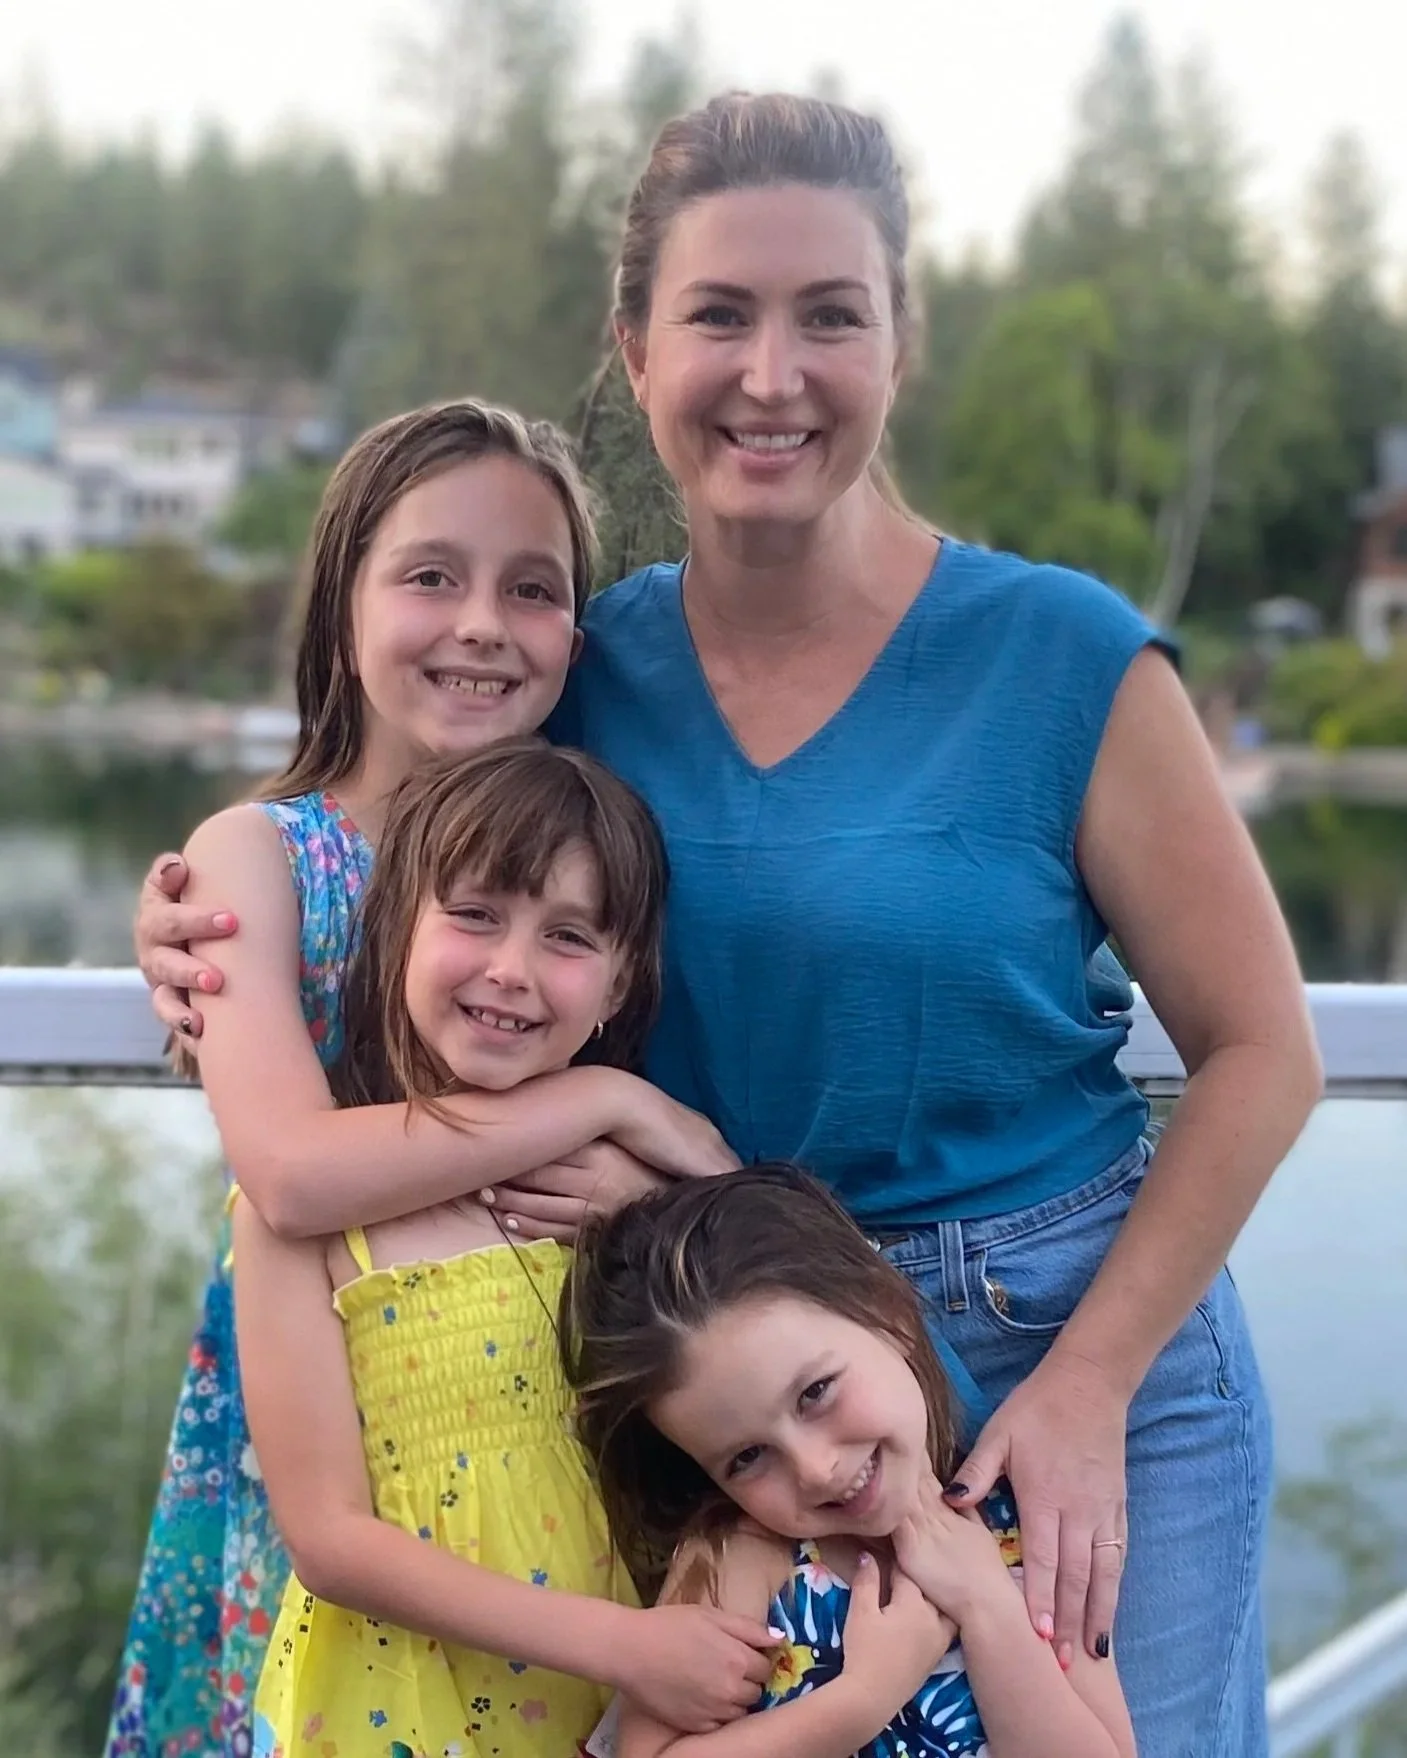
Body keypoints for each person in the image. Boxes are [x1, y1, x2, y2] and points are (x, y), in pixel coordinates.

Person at [133, 92, 1323, 1756]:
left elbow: (1265, 1052)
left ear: (900, 339)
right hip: (729, 1392)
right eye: (717, 315)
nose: (771, 375)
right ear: (634, 353)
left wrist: (1090, 1383)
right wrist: (203, 907)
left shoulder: (1061, 655)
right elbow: (394, 835)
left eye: (829, 314)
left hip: (1074, 1341)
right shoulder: (577, 672)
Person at [107, 400, 736, 1758]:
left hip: (539, 1447)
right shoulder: (260, 857)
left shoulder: (585, 842)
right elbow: (289, 1170)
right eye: (429, 575)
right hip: (331, 1421)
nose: (480, 625)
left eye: (533, 589)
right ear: (343, 600)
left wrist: (634, 1173)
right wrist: (599, 1105)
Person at [240, 742, 777, 1758]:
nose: (510, 970)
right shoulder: (301, 1220)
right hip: (398, 1706)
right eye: (475, 913)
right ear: (400, 926)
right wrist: (626, 1645)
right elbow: (329, 1541)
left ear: (623, 981)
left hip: (643, 1705)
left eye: (568, 936)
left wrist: (677, 1183)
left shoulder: (636, 1190)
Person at [562, 1166, 1137, 1758]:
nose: (814, 1469)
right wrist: (862, 1699)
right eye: (748, 1457)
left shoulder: (1028, 1533)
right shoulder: (744, 1558)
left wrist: (987, 1605)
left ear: (888, 1313)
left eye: (815, 1393)